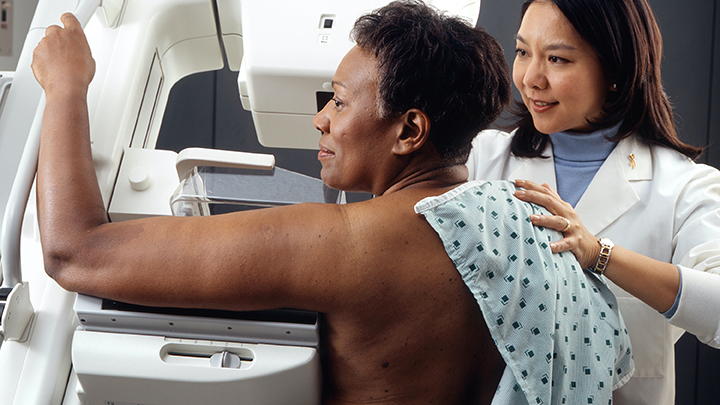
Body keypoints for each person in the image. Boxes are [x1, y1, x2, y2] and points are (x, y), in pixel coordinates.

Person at [32, 1, 632, 404]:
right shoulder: (530, 224)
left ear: (409, 131)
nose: (320, 118)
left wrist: (66, 89)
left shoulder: (348, 243)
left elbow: (73, 252)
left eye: (340, 101)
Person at [466, 0, 720, 404]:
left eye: (557, 59)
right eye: (522, 52)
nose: (531, 77)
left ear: (616, 71)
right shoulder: (479, 158)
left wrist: (601, 255)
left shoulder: (685, 187)